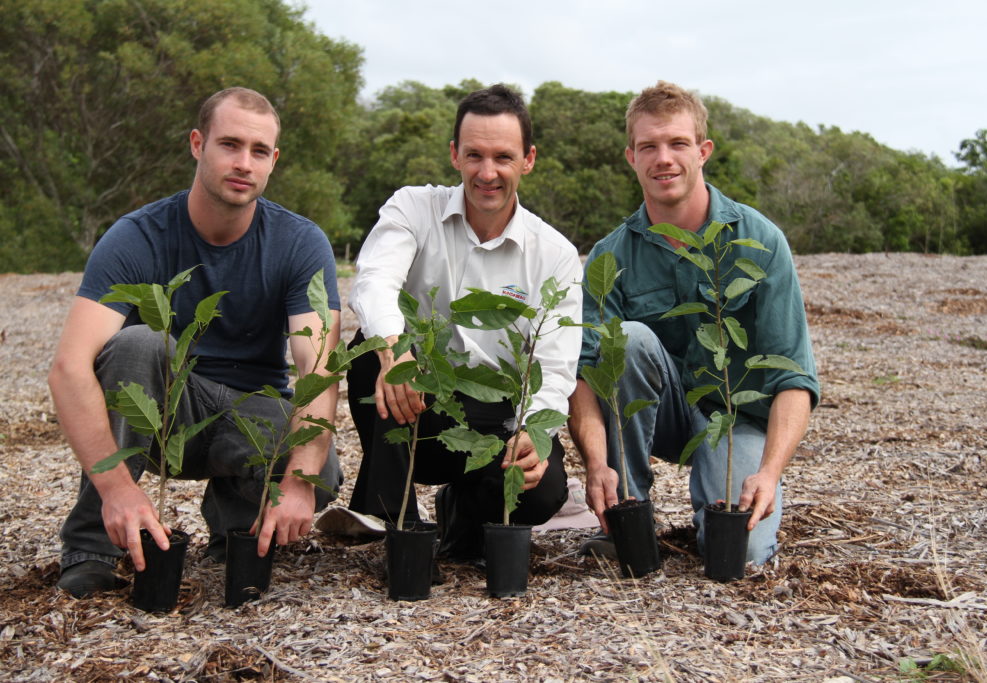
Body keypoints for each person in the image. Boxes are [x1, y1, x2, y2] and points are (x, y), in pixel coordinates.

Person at [49, 87, 342, 597]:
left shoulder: (299, 242)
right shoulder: (136, 237)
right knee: (138, 343)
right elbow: (69, 367)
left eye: (258, 151)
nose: (243, 163)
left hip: (249, 413)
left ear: (274, 161)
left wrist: (298, 479)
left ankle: (236, 529)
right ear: (197, 144)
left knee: (321, 469)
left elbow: (317, 370)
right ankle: (93, 542)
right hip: (162, 413)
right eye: (229, 144)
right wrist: (117, 487)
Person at [568, 81, 819, 564]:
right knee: (630, 340)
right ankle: (627, 512)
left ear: (703, 151)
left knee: (740, 553)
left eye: (678, 143)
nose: (664, 158)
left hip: (737, 415)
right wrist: (596, 464)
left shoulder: (759, 240)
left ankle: (720, 512)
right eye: (649, 146)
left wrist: (768, 472)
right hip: (660, 415)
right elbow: (584, 374)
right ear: (631, 157)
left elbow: (794, 375)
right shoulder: (609, 256)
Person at [347, 84, 582, 563]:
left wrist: (532, 434)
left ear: (528, 159)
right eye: (474, 155)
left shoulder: (554, 254)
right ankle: (397, 522)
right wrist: (395, 351)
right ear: (455, 154)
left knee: (541, 490)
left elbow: (556, 363)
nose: (487, 172)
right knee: (368, 352)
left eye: (503, 157)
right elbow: (374, 283)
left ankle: (464, 512)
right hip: (421, 401)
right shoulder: (414, 208)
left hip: (498, 411)